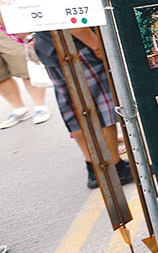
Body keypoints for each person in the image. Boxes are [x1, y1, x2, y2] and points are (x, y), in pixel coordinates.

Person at [28, 30, 133, 189]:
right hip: (75, 43)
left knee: (72, 107)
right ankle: (114, 166)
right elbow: (65, 12)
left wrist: (28, 36)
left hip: (47, 46)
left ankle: (93, 167)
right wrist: (95, 44)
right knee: (100, 104)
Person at [0, 0, 50, 129]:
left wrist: (17, 31)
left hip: (1, 27)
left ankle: (40, 106)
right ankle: (19, 109)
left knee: (25, 68)